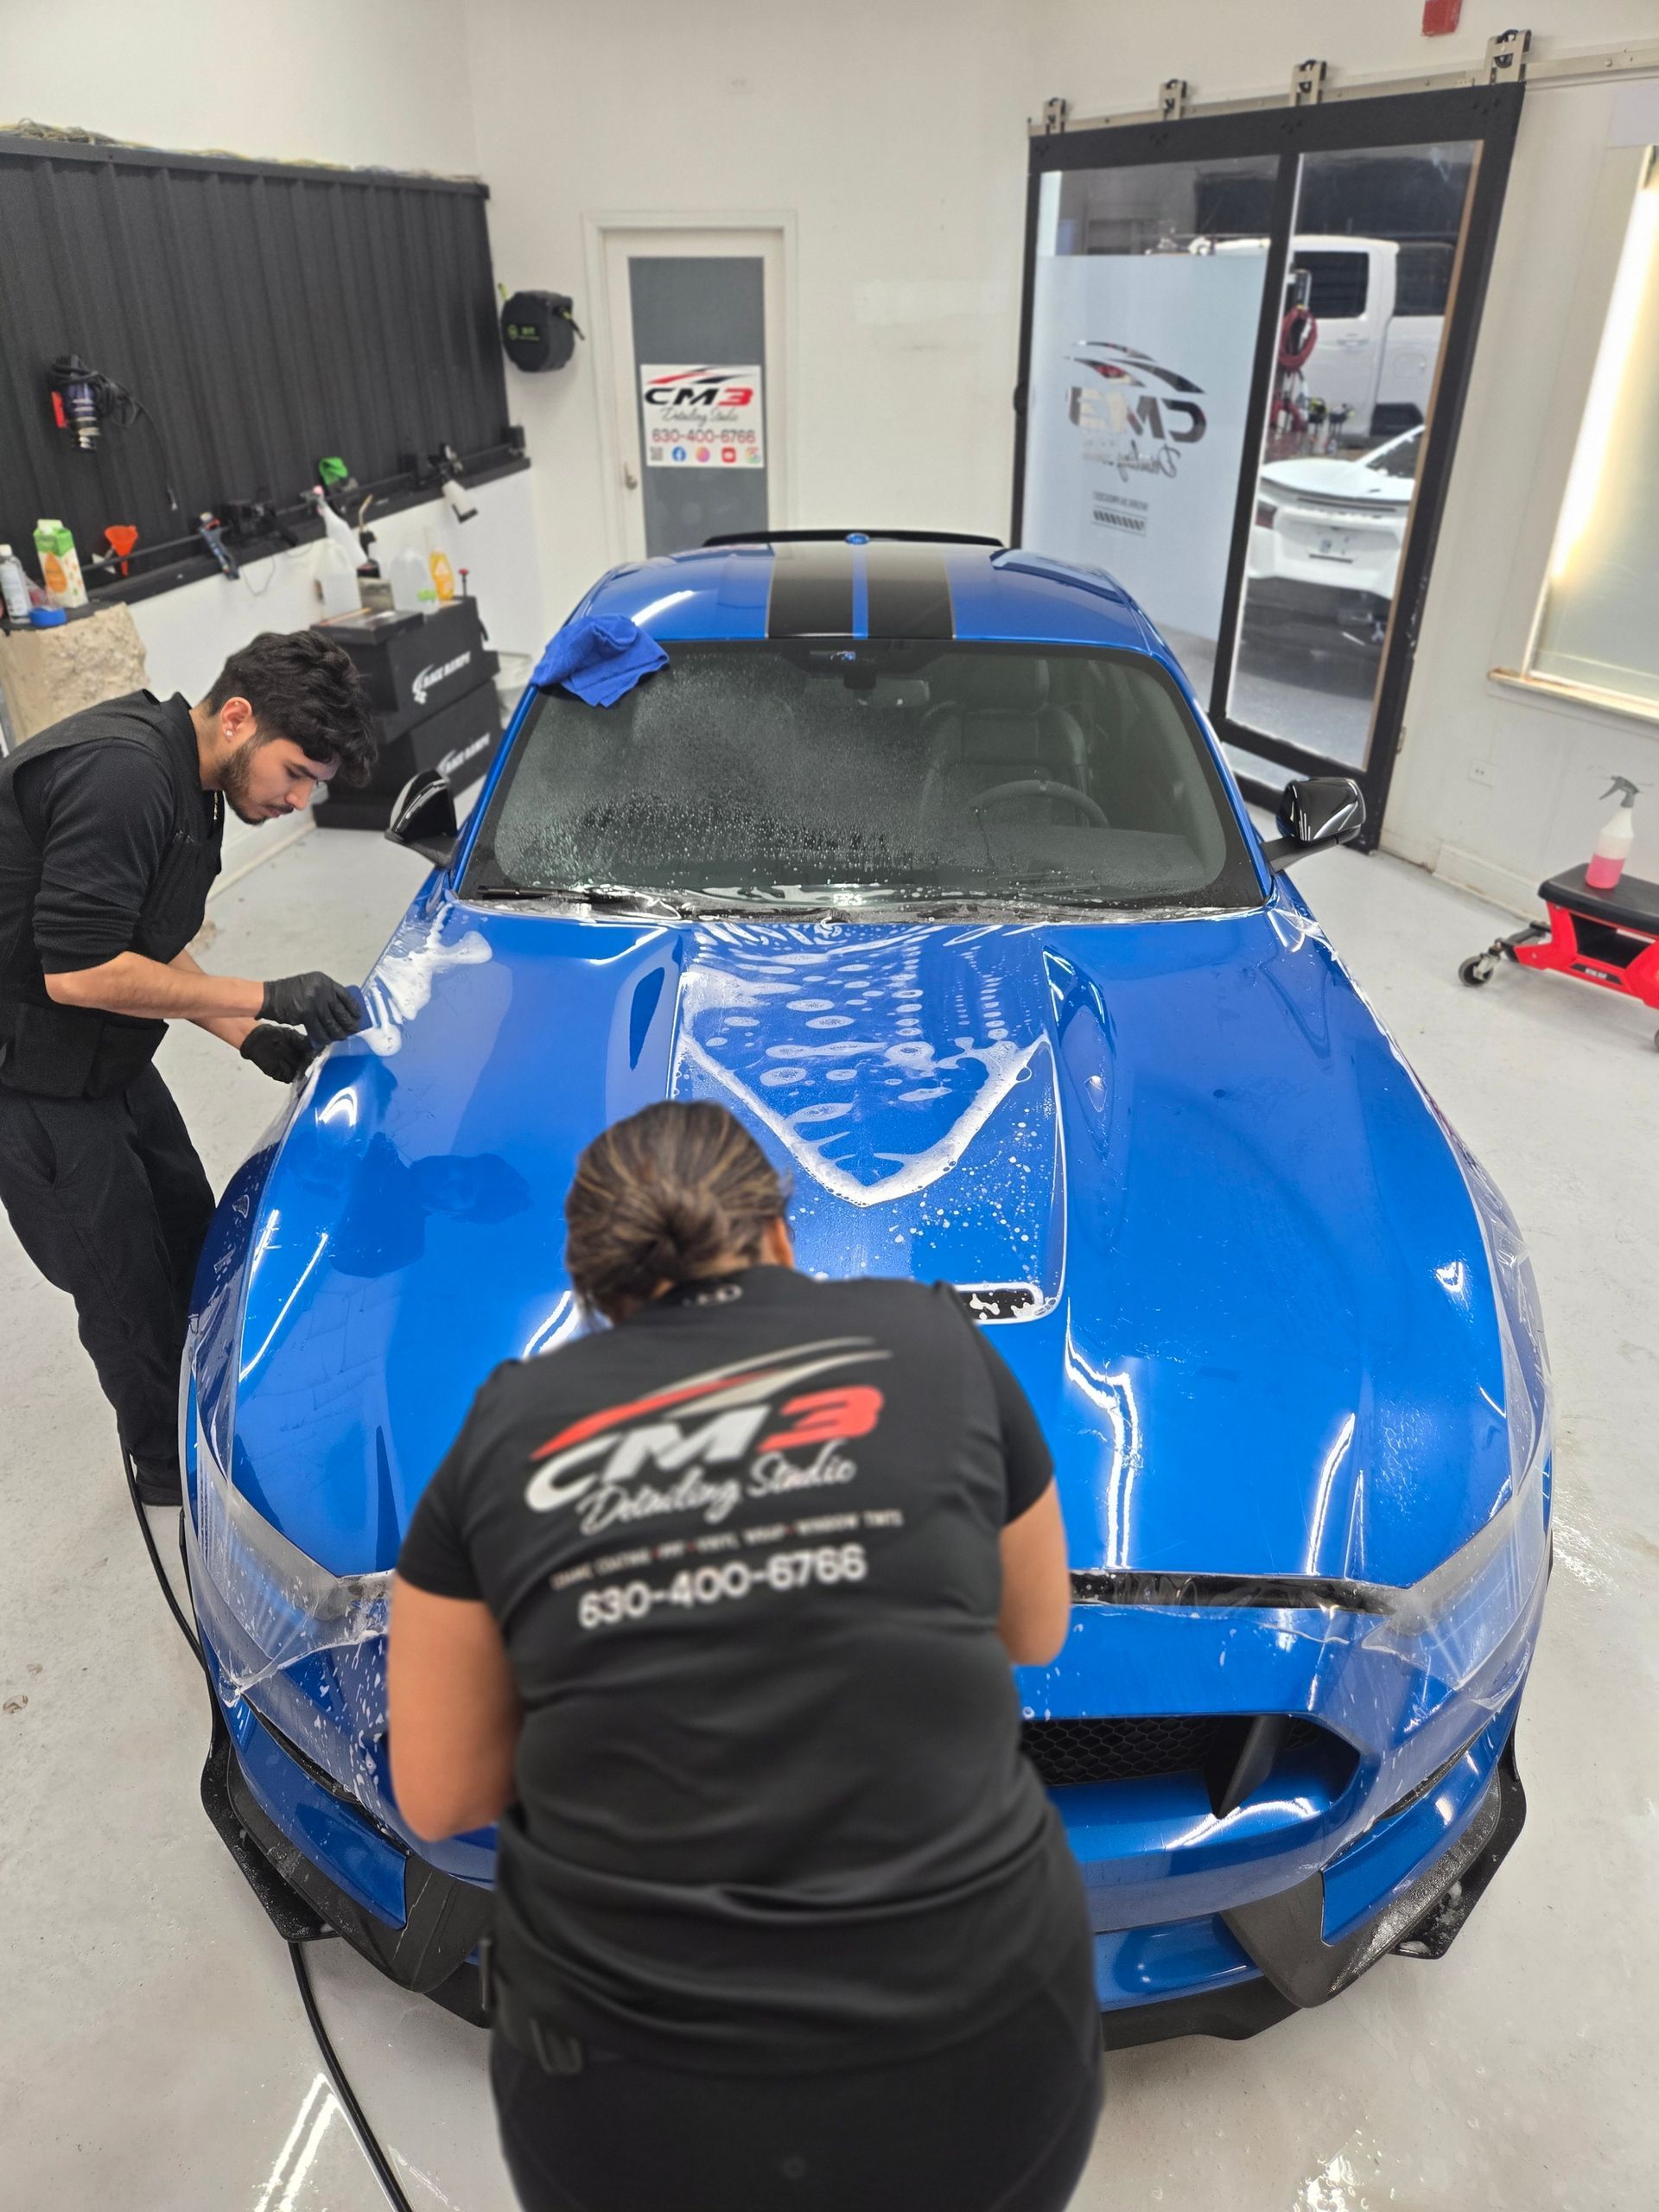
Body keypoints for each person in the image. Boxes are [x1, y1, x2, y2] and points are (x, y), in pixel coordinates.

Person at [388, 1100, 1102, 2212]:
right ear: (779, 1234)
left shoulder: (508, 1429)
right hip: (984, 2040)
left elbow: (441, 1793)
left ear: (597, 1295)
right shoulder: (931, 1339)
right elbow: (1035, 1627)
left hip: (631, 2089)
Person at [0, 630, 377, 1505]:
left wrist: (244, 1031)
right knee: (124, 1288)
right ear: (238, 717)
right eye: (295, 773)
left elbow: (142, 937)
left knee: (188, 1231)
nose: (297, 799)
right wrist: (266, 991)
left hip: (109, 1054)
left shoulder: (196, 782)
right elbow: (79, 971)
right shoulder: (124, 776)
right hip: (33, 1079)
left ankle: (213, 1416)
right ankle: (171, 1473)